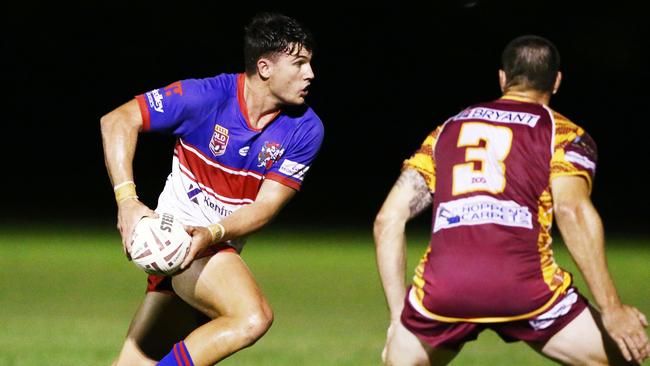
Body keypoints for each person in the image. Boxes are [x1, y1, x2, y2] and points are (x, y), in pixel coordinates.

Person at [374, 35, 650, 365]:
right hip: (527, 288)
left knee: (398, 360)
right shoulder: (563, 134)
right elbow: (571, 208)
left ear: (503, 78)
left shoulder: (448, 129)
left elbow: (387, 220)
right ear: (557, 81)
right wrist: (612, 308)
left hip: (445, 291)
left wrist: (398, 319)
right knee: (626, 355)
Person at [100, 12, 323, 366]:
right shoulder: (205, 97)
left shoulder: (305, 129)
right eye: (298, 64)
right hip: (176, 238)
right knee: (251, 317)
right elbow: (117, 120)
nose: (309, 74)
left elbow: (265, 207)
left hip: (207, 243)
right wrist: (127, 201)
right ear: (264, 67)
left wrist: (212, 233)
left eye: (310, 63)